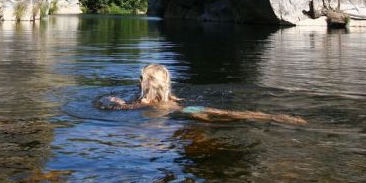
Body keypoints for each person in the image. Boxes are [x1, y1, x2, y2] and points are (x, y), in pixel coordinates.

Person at [101, 63, 306, 125]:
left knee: (216, 113)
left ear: (144, 83)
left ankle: (271, 117)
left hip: (172, 114)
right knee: (226, 112)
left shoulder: (143, 103)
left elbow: (122, 109)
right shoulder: (173, 99)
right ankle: (271, 116)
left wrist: (116, 101)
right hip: (183, 109)